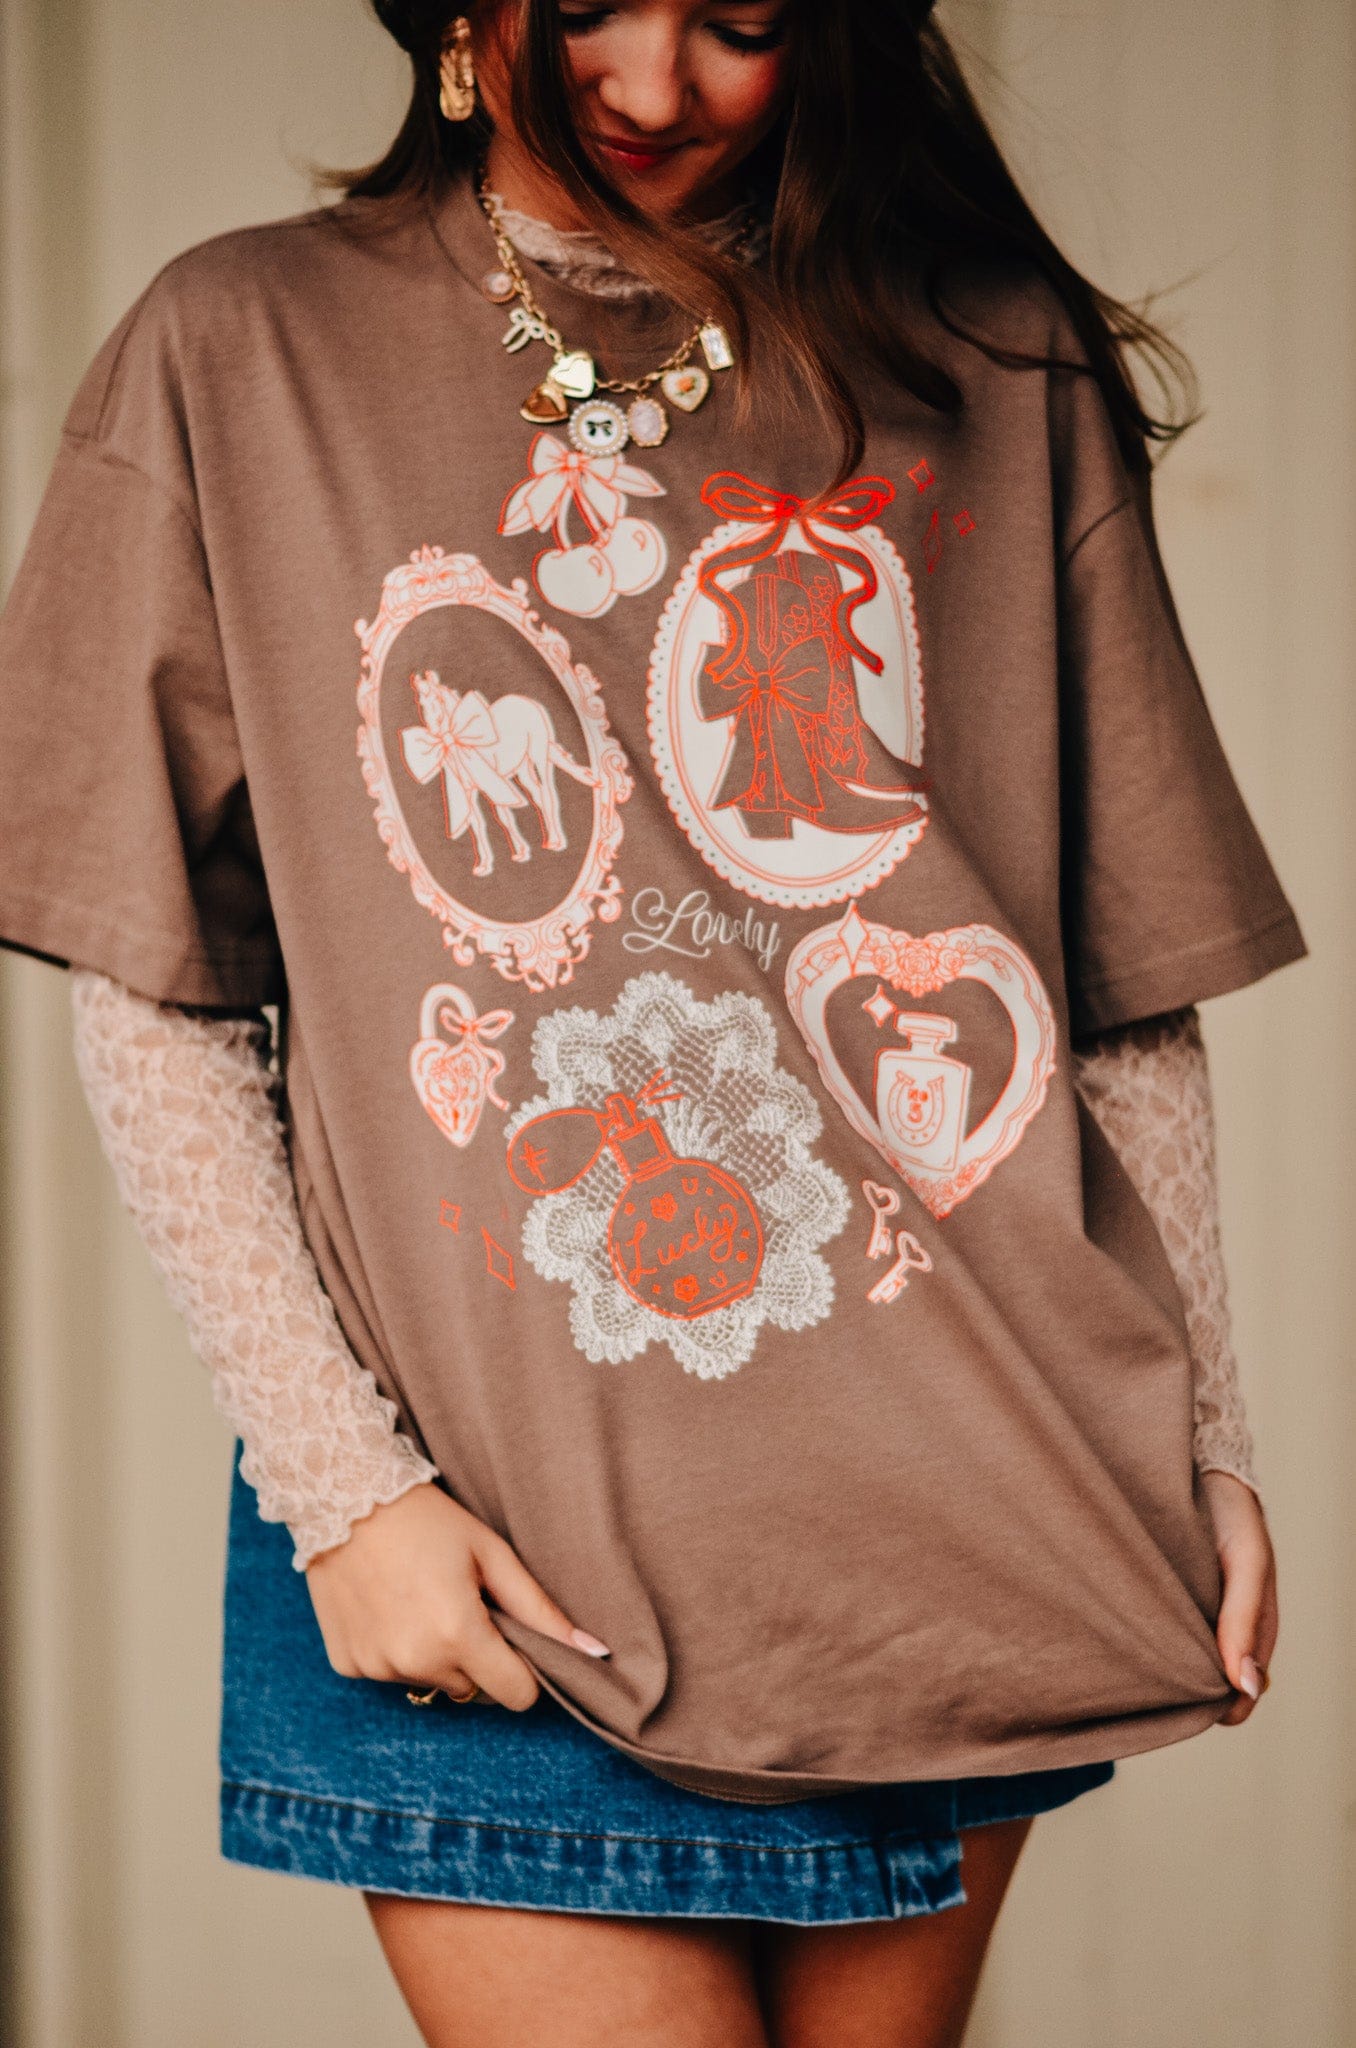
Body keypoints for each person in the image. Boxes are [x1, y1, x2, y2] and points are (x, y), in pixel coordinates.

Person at [0, 1, 1306, 2042]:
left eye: (743, 19)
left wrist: (1205, 1434)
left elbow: (1118, 989)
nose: (651, 82)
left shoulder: (997, 358)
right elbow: (155, 997)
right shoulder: (235, 349)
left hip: (957, 1509)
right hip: (489, 1561)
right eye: (589, 2)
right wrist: (346, 1490)